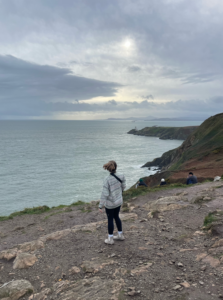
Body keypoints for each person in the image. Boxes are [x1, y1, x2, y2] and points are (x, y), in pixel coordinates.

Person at [99, 161, 126, 245]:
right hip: (118, 202)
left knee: (110, 219)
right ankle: (120, 235)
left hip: (110, 204)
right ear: (116, 167)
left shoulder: (107, 179)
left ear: (108, 169)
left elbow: (105, 194)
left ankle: (110, 239)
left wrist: (100, 205)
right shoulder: (121, 176)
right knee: (117, 216)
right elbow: (124, 187)